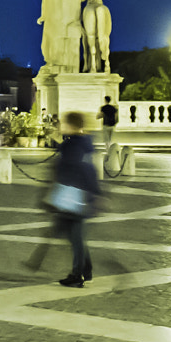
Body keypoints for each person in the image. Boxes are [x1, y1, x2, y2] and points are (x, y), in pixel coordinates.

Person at [48, 111, 103, 288]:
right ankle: (85, 270)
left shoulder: (75, 146)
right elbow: (89, 170)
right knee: (74, 235)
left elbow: (78, 170)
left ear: (71, 125)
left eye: (65, 124)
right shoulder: (79, 144)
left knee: (75, 236)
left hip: (73, 195)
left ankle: (77, 274)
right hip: (77, 194)